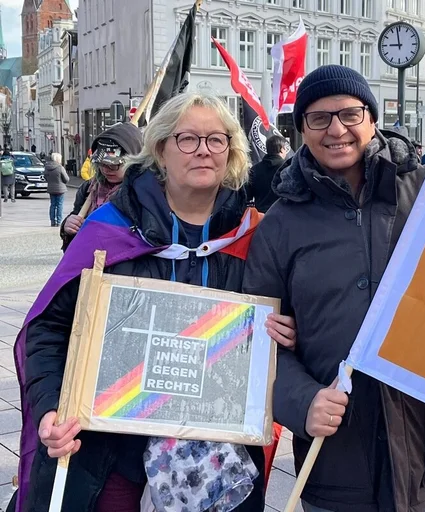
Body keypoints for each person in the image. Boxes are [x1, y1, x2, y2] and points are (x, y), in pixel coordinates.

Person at [15, 92, 298, 512]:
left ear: (231, 153)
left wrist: (287, 336)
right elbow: (47, 329)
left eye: (216, 139)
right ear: (161, 150)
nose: (203, 149)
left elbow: (284, 343)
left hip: (216, 462)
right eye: (187, 139)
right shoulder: (106, 232)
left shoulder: (258, 238)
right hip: (108, 456)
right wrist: (50, 408)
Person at [242, 65, 425, 512]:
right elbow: (257, 344)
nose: (336, 129)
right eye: (318, 118)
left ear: (372, 119)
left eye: (350, 114)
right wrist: (302, 402)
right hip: (338, 458)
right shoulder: (281, 224)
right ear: (301, 131)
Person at [60, 123, 143, 251]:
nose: (106, 170)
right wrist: (68, 225)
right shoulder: (89, 188)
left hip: (126, 264)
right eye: (101, 164)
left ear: (134, 162)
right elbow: (76, 221)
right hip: (90, 261)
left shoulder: (144, 191)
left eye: (114, 165)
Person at [246, 134, 288, 212]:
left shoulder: (254, 169)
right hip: (283, 216)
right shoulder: (287, 168)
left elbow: (247, 196)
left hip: (261, 217)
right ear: (282, 149)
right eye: (285, 148)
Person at [43, 153, 69, 226]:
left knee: (53, 205)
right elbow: (66, 179)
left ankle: (52, 221)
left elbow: (45, 177)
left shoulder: (47, 167)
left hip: (51, 188)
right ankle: (58, 221)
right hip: (60, 189)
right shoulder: (60, 167)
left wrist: (50, 182)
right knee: (59, 205)